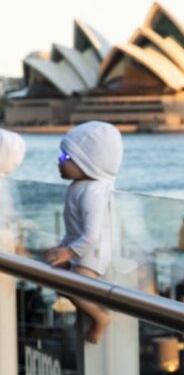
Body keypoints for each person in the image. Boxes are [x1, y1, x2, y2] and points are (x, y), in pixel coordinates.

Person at [42, 122, 123, 344]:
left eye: (66, 157)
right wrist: (63, 246)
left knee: (75, 287)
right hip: (79, 246)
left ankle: (99, 318)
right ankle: (84, 311)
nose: (59, 161)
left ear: (88, 163)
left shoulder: (93, 193)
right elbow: (73, 227)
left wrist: (68, 252)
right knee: (60, 280)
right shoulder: (79, 188)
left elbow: (91, 234)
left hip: (93, 251)